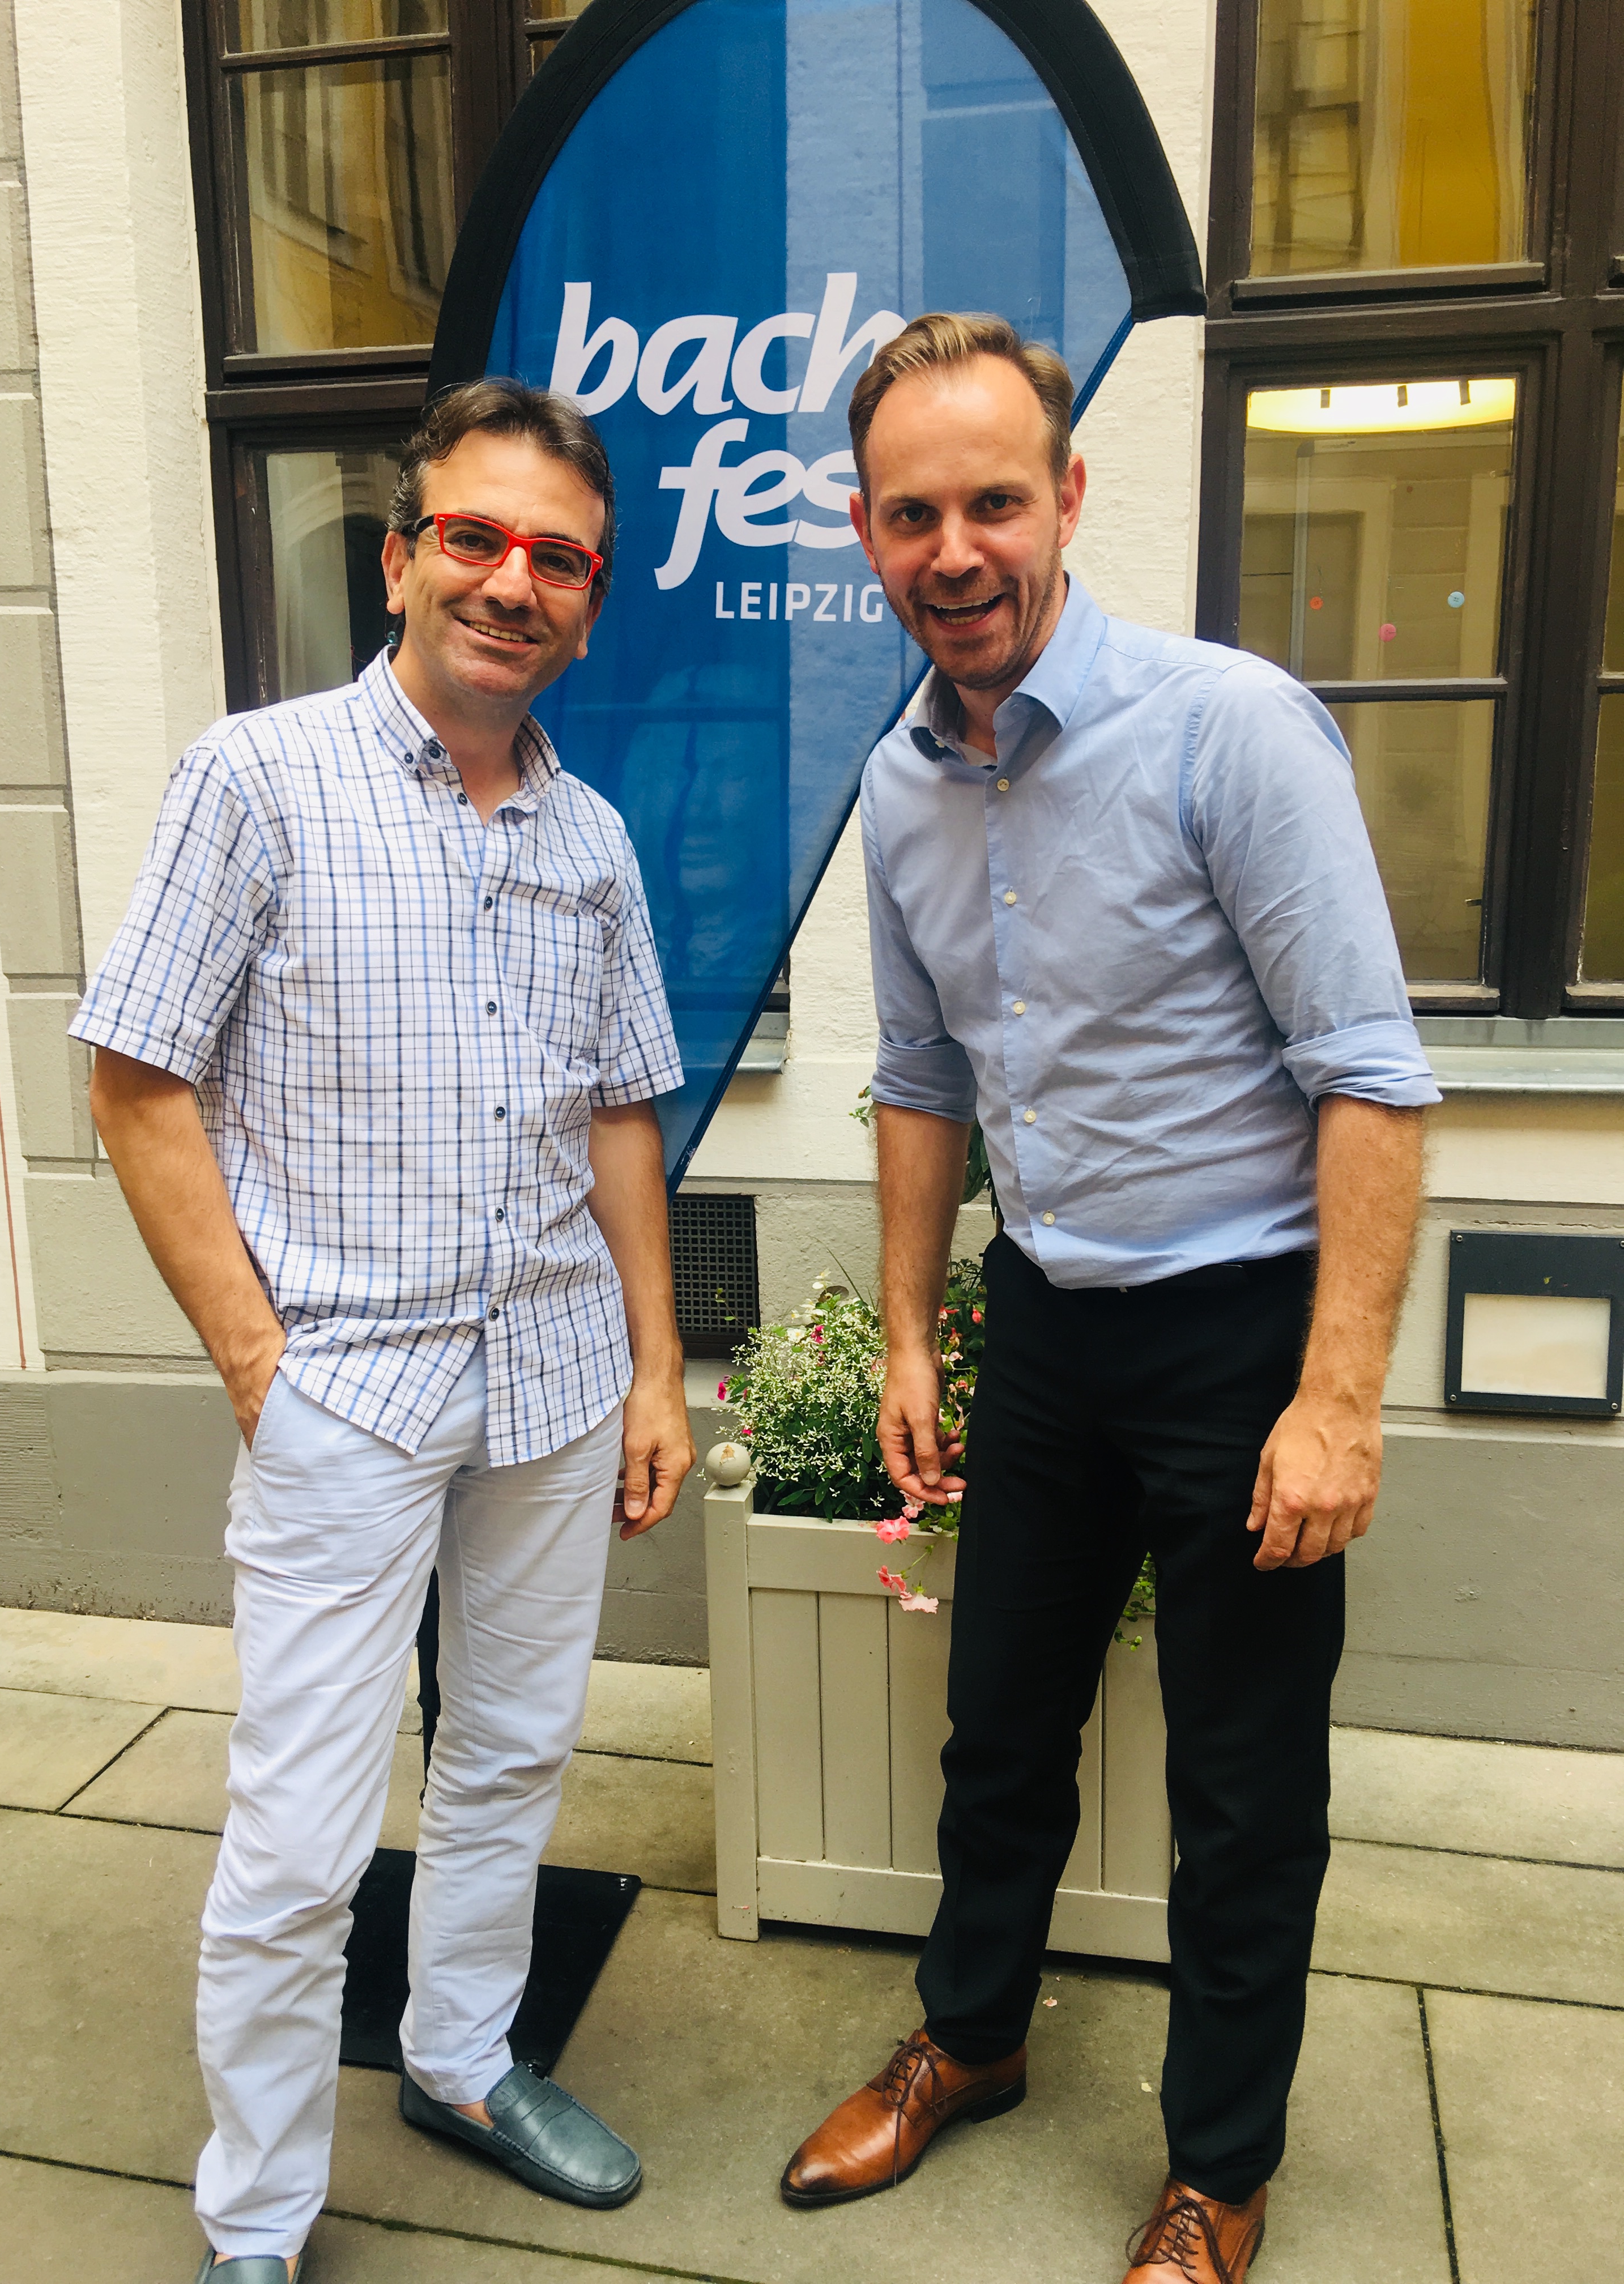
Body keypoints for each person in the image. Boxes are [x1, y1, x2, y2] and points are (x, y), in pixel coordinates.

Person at [778, 315, 1437, 2283]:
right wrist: (914, 1333)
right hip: (1050, 1321)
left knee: (1244, 1792)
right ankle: (973, 2040)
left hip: (1242, 1336)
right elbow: (922, 1077)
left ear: (1068, 498)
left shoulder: (1228, 730)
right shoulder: (901, 784)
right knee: (998, 1728)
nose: (955, 550)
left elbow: (1371, 1076)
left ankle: (1218, 2171)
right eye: (913, 515)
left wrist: (1337, 1399)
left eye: (994, 501)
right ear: (866, 532)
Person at [75, 380, 694, 2283]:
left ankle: (462, 2061)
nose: (514, 581)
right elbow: (136, 1081)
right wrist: (256, 1363)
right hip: (343, 1392)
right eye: (477, 538)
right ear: (405, 555)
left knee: (508, 1758)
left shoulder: (592, 837)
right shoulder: (256, 780)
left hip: (555, 1382)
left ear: (591, 602)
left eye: (558, 558)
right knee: (300, 1836)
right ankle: (258, 2218)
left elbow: (620, 1112)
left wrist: (656, 1368)